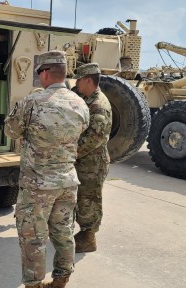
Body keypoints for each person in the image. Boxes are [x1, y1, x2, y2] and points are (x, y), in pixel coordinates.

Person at [5, 50, 90, 288]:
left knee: (33, 237)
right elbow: (81, 132)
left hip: (38, 185)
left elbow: (11, 131)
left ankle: (34, 284)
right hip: (67, 182)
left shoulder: (32, 102)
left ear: (44, 74)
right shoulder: (81, 103)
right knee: (63, 232)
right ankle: (61, 279)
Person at [71, 63, 112, 253]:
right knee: (78, 198)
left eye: (79, 79)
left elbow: (93, 139)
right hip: (81, 160)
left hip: (92, 163)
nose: (76, 82)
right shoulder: (83, 97)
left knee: (89, 200)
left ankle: (88, 237)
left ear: (88, 80)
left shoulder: (99, 106)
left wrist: (69, 154)